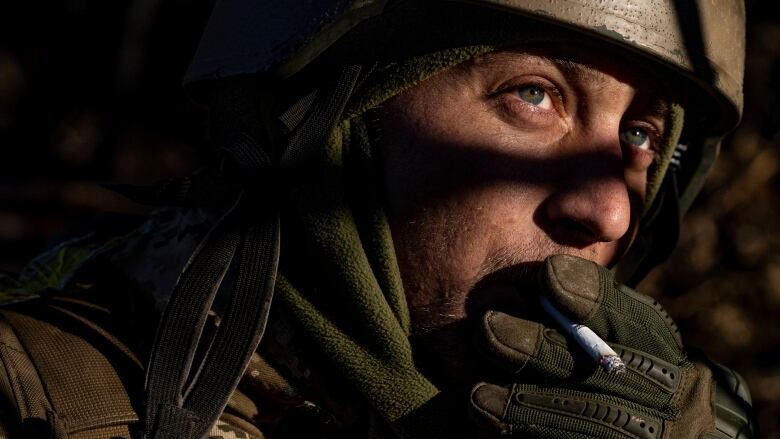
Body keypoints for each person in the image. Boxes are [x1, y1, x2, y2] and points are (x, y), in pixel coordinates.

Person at [0, 1, 755, 438]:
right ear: (328, 125)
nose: (611, 208)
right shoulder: (30, 402)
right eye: (533, 95)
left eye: (640, 136)